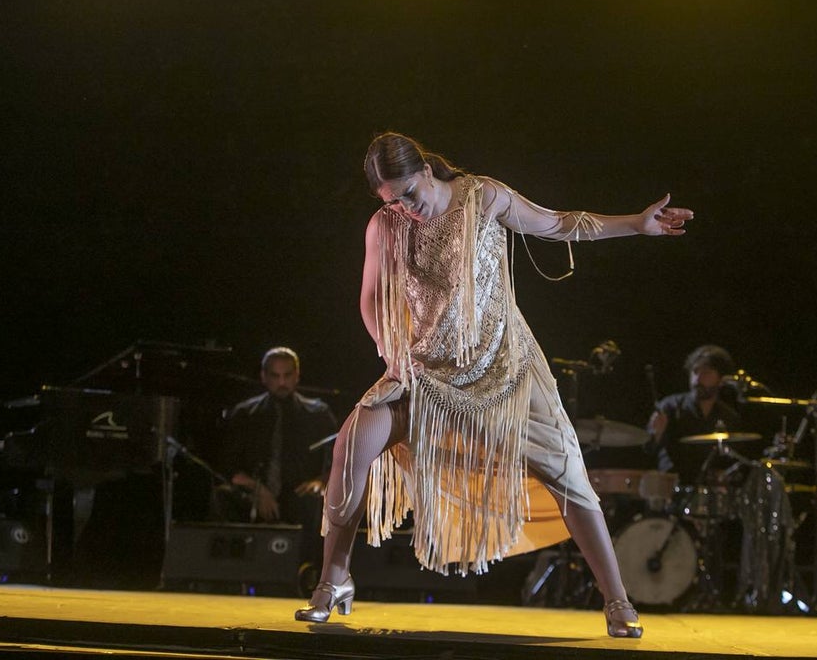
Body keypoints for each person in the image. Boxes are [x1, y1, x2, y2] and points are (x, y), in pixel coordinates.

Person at [294, 132, 693, 639]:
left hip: (504, 368)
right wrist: (392, 352)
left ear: (425, 173)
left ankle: (616, 598)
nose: (405, 208)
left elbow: (560, 224)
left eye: (408, 194)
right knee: (351, 444)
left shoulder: (482, 197)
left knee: (569, 476)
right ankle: (334, 581)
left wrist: (636, 225)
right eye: (391, 200)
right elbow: (371, 299)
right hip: (425, 373)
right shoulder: (386, 224)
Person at [217, 347, 337, 580]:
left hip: (298, 491)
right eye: (275, 375)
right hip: (254, 491)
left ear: (297, 375)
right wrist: (257, 489)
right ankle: (230, 574)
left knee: (317, 501)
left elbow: (340, 460)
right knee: (223, 496)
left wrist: (321, 480)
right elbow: (227, 466)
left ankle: (310, 574)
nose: (282, 382)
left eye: (287, 375)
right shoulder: (245, 413)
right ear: (264, 376)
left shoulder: (318, 413)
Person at [644, 344, 745, 485]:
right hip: (674, 490)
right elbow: (647, 450)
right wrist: (655, 435)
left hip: (711, 491)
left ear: (721, 379)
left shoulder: (729, 417)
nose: (697, 379)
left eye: (706, 372)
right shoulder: (670, 406)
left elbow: (732, 462)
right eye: (695, 371)